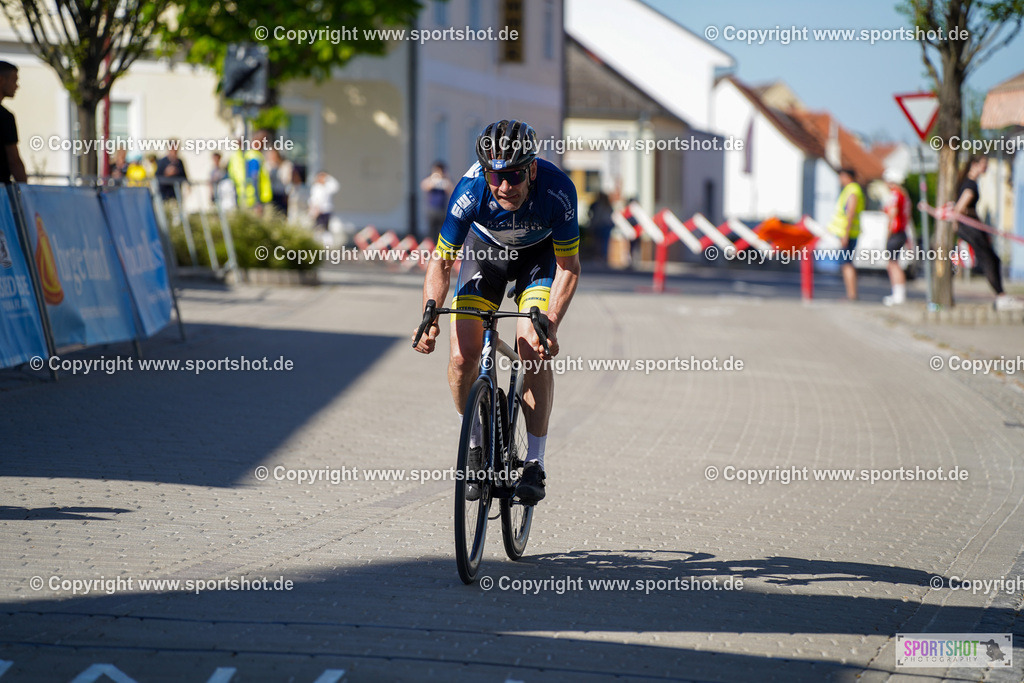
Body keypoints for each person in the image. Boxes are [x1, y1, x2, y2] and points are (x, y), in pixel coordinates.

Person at [412, 119, 581, 504]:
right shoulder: (469, 191)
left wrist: (550, 322)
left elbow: (569, 267)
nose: (505, 187)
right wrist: (429, 314)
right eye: (495, 177)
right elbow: (440, 262)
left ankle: (535, 463)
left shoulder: (558, 192)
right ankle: (473, 445)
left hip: (537, 260)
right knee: (461, 357)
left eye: (515, 176)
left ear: (532, 169)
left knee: (530, 349)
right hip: (485, 255)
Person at [952, 155, 1023, 311]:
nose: (986, 167)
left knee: (993, 259)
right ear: (975, 165)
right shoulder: (970, 185)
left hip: (973, 227)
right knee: (989, 260)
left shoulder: (968, 182)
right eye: (984, 164)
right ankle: (1001, 297)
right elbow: (960, 208)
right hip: (970, 228)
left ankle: (1001, 295)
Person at [826, 168, 864, 301]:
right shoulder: (851, 190)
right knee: (847, 263)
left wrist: (845, 235)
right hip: (847, 233)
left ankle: (852, 294)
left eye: (841, 176)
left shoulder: (852, 190)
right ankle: (851, 294)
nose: (839, 179)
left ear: (847, 176)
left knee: (847, 263)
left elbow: (850, 213)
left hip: (848, 233)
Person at [882, 169, 911, 306]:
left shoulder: (895, 194)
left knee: (893, 264)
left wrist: (888, 232)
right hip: (902, 231)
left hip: (896, 232)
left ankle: (898, 295)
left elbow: (893, 213)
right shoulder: (904, 195)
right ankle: (898, 294)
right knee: (894, 263)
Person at [227, 130, 272, 214]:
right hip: (254, 199)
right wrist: (257, 202)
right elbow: (254, 178)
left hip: (241, 198)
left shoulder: (235, 157)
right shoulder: (253, 156)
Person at [0, 61, 28, 183]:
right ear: (1, 80)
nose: (17, 86)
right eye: (14, 80)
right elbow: (14, 161)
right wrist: (25, 194)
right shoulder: (5, 117)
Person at [420, 161, 453, 241]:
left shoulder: (446, 180)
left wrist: (445, 179)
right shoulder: (430, 178)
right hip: (432, 210)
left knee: (442, 231)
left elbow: (451, 190)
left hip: (442, 209)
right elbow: (424, 186)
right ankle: (431, 245)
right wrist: (433, 179)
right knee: (431, 231)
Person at [587, 192, 614, 260]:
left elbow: (593, 215)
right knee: (604, 242)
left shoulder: (598, 205)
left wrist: (592, 225)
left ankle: (599, 256)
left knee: (598, 242)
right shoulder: (608, 205)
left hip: (600, 225)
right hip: (606, 225)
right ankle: (603, 256)